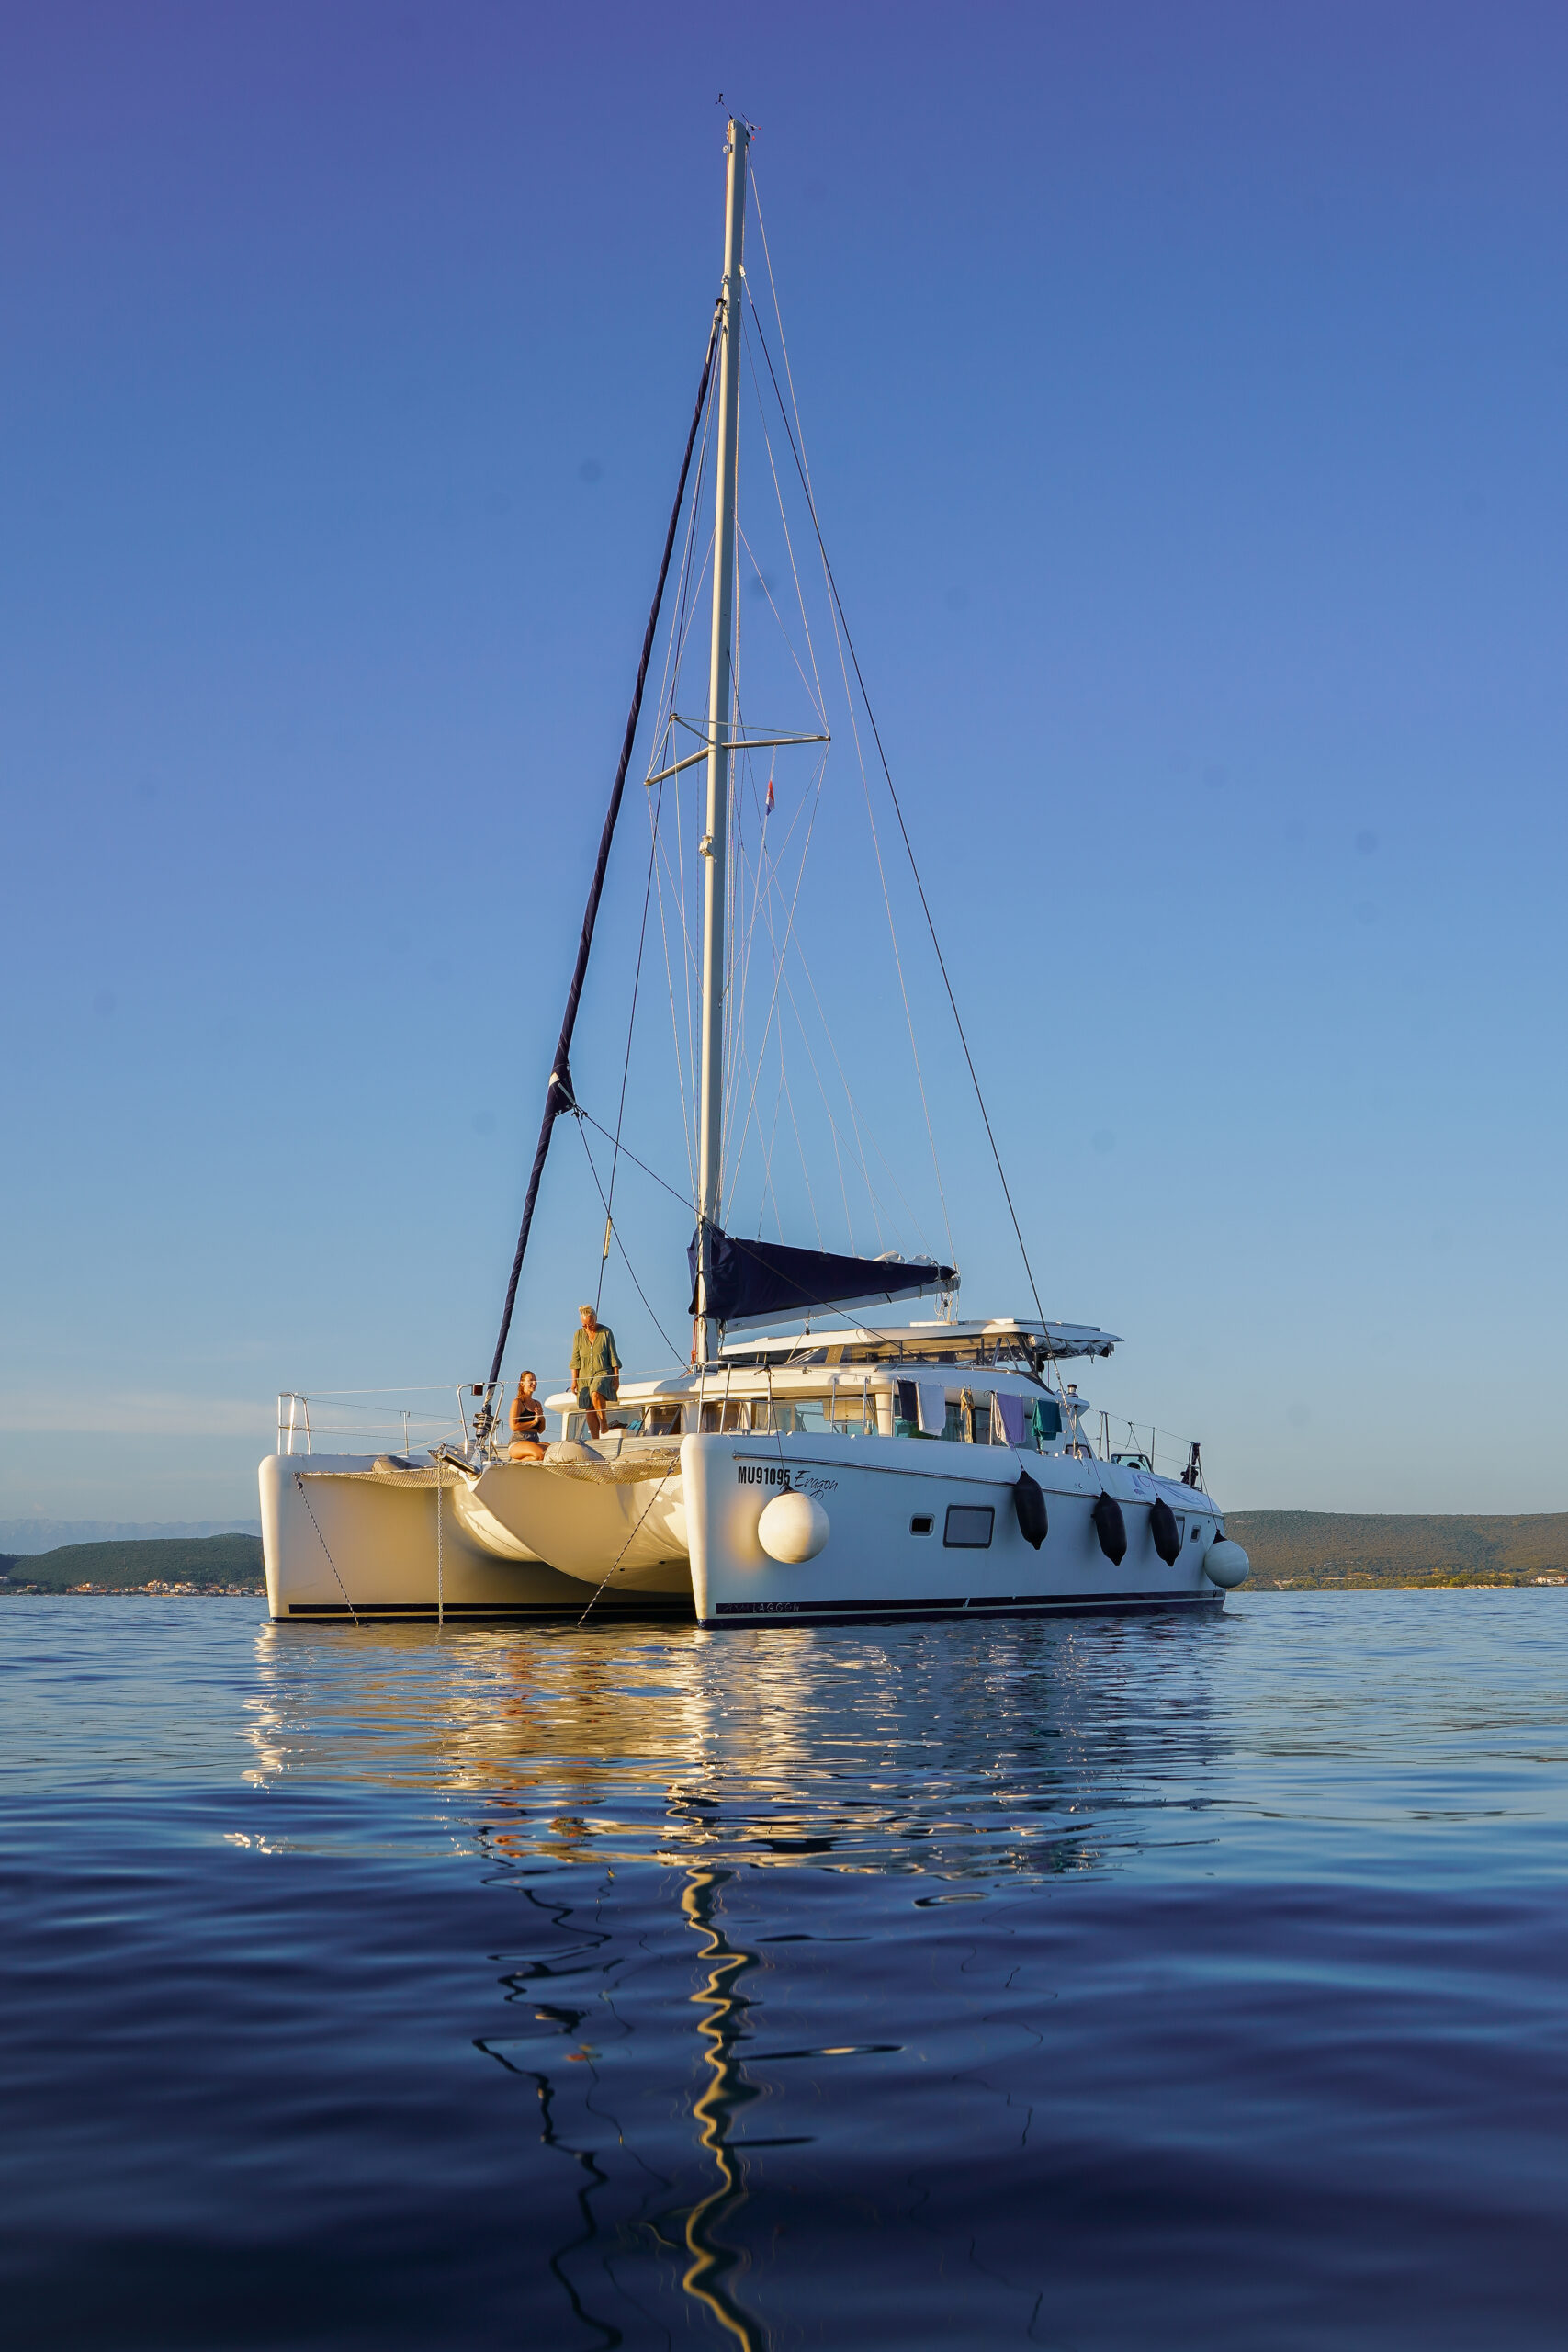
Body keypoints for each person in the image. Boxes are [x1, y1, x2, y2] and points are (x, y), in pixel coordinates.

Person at [570, 1303, 621, 1440]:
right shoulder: (578, 1335)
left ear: (595, 1319)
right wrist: (574, 1381)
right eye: (584, 1325)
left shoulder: (606, 1332)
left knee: (595, 1392)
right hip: (584, 1375)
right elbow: (575, 1360)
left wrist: (616, 1378)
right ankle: (595, 1439)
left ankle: (603, 1421)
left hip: (603, 1372)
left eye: (590, 1324)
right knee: (589, 1408)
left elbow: (613, 1356)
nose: (588, 1327)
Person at [508, 1370, 547, 1461]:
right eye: (531, 1380)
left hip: (535, 1440)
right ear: (522, 1383)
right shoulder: (518, 1402)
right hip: (519, 1441)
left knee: (554, 1453)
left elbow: (540, 1430)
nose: (534, 1383)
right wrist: (534, 1421)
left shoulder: (537, 1403)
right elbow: (514, 1427)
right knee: (540, 1454)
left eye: (535, 1380)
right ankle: (516, 1464)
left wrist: (542, 1419)